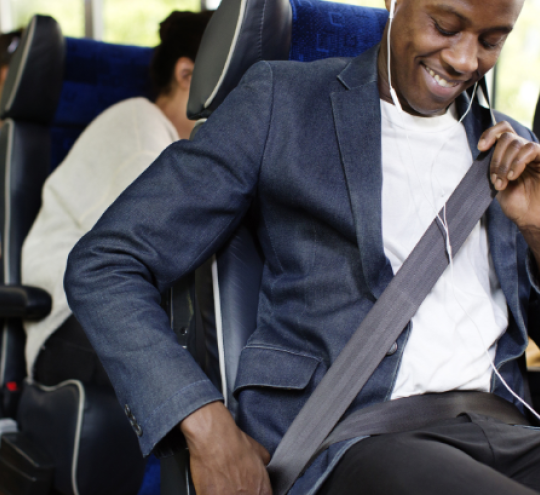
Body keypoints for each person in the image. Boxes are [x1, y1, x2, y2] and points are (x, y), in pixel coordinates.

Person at [64, 0, 540, 493]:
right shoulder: (285, 103)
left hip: (507, 432)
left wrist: (536, 228)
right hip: (357, 440)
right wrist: (207, 425)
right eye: (445, 27)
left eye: (491, 41)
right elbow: (105, 263)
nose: (465, 60)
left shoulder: (511, 150)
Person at [22, 10, 212, 381]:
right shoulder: (141, 129)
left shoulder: (175, 147)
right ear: (186, 74)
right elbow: (161, 254)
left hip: (107, 316)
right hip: (69, 322)